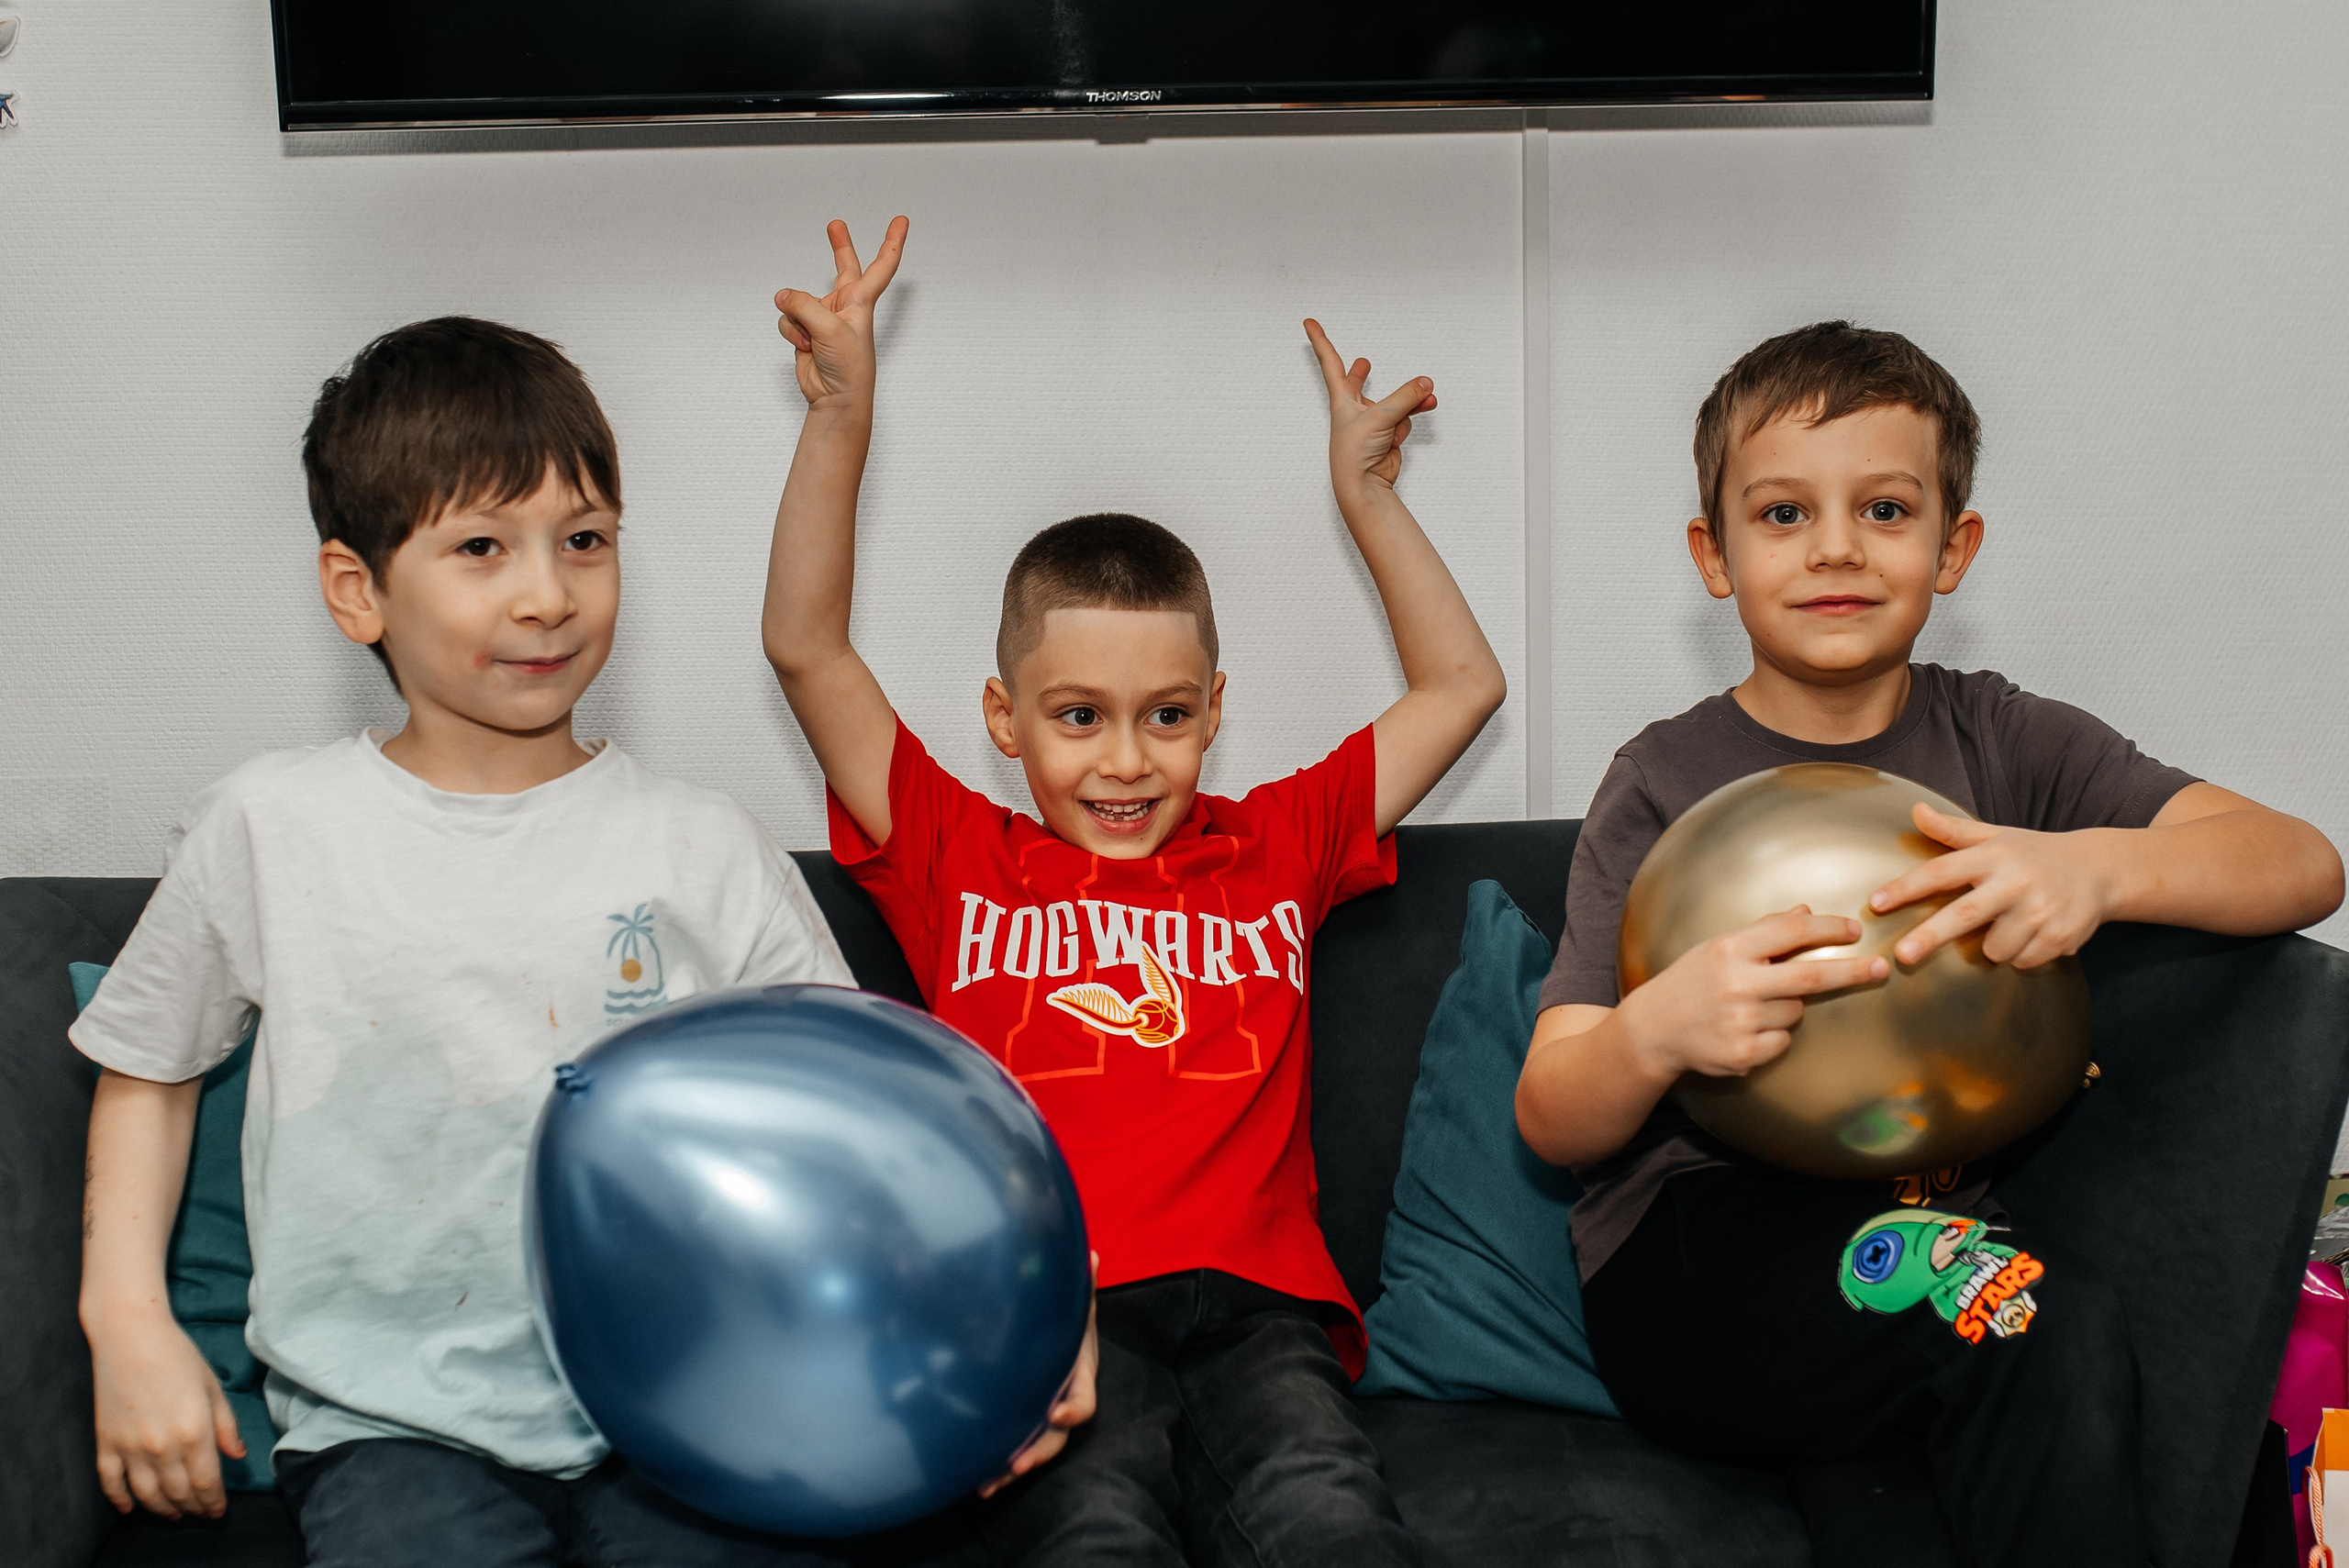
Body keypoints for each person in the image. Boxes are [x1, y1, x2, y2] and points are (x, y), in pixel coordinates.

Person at [72, 317, 1073, 1566]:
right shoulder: (267, 826)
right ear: (357, 588)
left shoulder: (703, 843)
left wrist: (1006, 1338)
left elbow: (870, 1130)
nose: (548, 592)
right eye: (482, 546)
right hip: (392, 1427)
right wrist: (127, 1321)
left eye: (584, 540)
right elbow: (148, 1066)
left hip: (701, 1401)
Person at [1512, 320, 2345, 1566]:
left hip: (1931, 1216)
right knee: (2017, 1312)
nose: (1836, 545)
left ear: (1954, 547)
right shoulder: (1662, 778)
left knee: (2170, 1403)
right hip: (1697, 1256)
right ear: (1715, 554)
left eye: (1886, 508)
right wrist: (1652, 1031)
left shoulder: (2005, 741)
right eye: (1783, 513)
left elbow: (2303, 863)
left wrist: (2096, 866)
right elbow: (1550, 1113)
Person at [762, 217, 1504, 1567]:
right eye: (1079, 715)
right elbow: (805, 647)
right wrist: (839, 417)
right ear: (1004, 716)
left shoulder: (1272, 843)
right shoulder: (956, 852)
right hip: (1054, 1316)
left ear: (1217, 709)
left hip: (1263, 1319)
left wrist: (1371, 498)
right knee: (1090, 1540)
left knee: (1333, 1526)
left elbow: (1464, 689)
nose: (1124, 758)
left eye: (1166, 714)